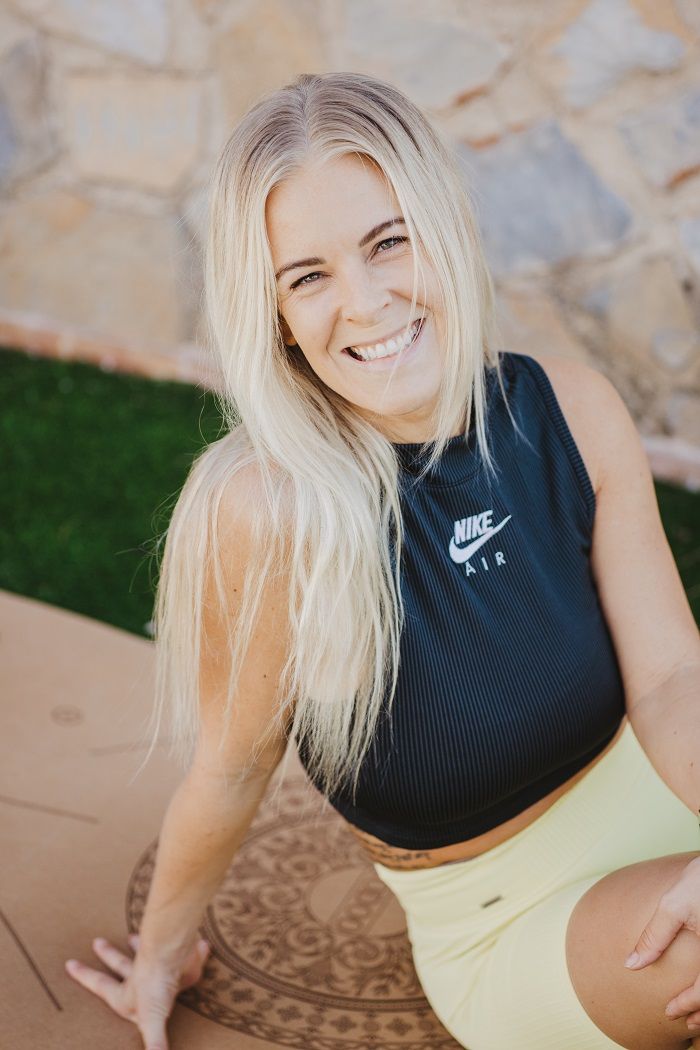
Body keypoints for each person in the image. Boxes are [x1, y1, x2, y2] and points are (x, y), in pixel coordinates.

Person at [64, 71, 700, 1050]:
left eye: (388, 241)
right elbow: (231, 771)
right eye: (307, 276)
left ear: (443, 228)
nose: (364, 304)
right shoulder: (270, 513)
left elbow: (669, 678)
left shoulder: (572, 409)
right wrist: (160, 954)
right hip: (510, 919)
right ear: (273, 313)